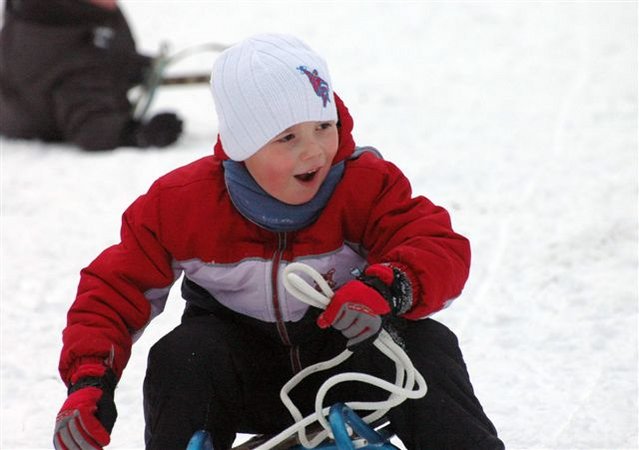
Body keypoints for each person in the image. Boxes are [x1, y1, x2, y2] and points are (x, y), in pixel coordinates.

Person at [53, 33, 505, 449]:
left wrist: (385, 287)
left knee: (425, 344)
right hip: (247, 378)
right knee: (180, 356)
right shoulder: (183, 204)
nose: (314, 151)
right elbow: (114, 290)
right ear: (242, 146)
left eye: (323, 126)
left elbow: (434, 242)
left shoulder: (365, 185)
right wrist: (91, 380)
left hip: (348, 361)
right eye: (287, 137)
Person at [0, 0, 182, 151]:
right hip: (39, 122)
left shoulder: (80, 17)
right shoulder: (65, 51)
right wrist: (138, 133)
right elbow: (90, 128)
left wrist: (139, 67)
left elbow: (107, 56)